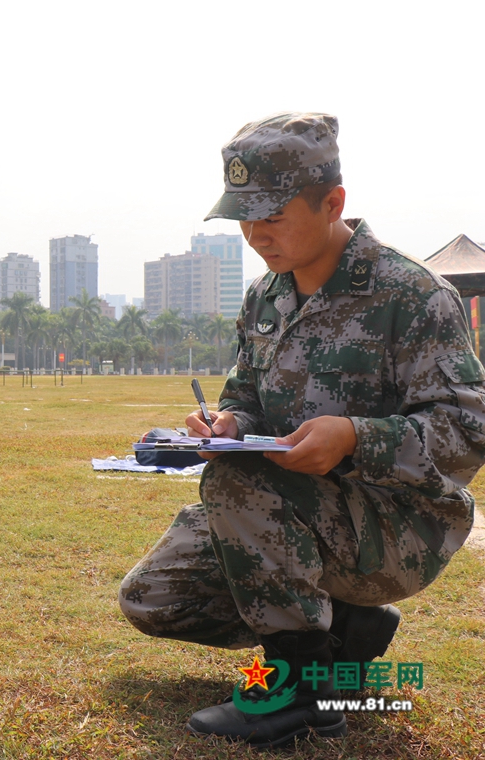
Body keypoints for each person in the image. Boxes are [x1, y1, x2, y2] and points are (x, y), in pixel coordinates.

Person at [117, 113, 485, 748]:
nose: (255, 234)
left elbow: (468, 430)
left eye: (272, 215)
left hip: (399, 524)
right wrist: (229, 422)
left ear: (332, 203)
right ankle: (347, 630)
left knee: (236, 481)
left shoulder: (412, 295)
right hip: (293, 514)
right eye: (243, 217)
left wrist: (355, 437)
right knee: (153, 597)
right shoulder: (265, 296)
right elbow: (246, 396)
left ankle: (300, 690)